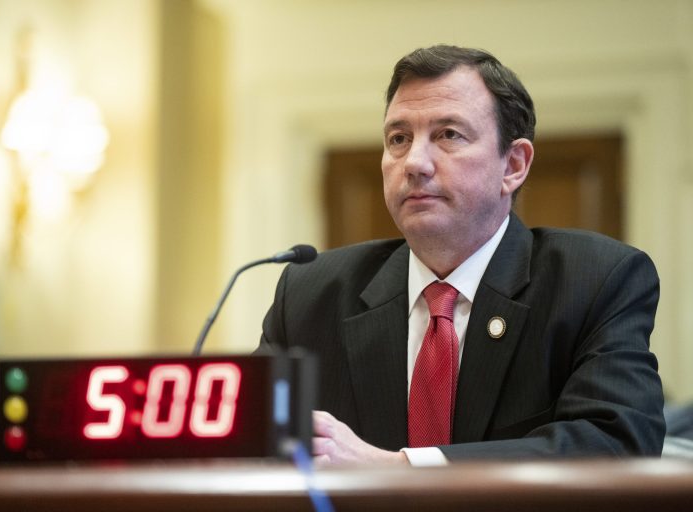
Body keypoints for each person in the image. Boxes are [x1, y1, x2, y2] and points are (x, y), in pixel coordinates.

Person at [258, 45, 665, 466]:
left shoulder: (595, 281)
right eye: (398, 139)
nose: (414, 162)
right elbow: (252, 444)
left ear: (513, 165)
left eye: (448, 134)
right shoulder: (310, 292)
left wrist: (398, 469)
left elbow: (618, 442)